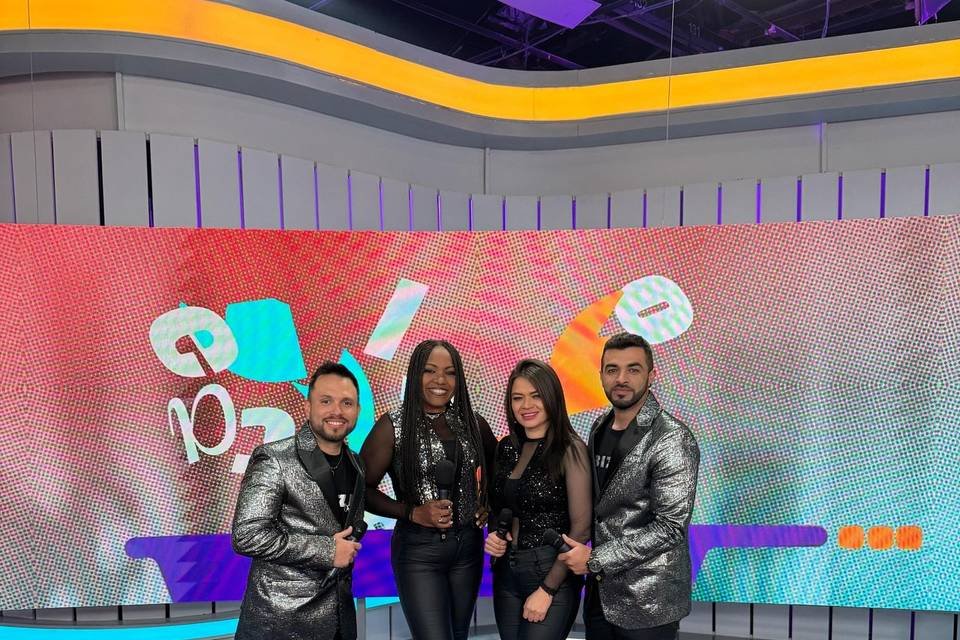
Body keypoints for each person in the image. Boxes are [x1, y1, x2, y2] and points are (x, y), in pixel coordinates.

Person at [558, 333, 700, 640]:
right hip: (600, 596)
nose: (621, 378)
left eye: (633, 369)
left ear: (651, 375)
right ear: (601, 375)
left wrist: (595, 559)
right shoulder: (599, 427)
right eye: (612, 369)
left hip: (649, 602)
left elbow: (670, 527)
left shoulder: (672, 438)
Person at [360, 339, 498, 640]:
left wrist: (486, 503)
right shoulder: (392, 426)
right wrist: (411, 512)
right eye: (430, 370)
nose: (440, 380)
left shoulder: (473, 424)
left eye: (450, 372)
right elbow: (362, 490)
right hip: (418, 552)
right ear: (415, 374)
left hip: (468, 550)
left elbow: (500, 472)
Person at [232, 362, 367, 640]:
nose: (337, 411)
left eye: (347, 403)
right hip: (280, 623)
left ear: (357, 410)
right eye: (326, 401)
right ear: (307, 407)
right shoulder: (274, 458)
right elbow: (247, 535)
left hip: (341, 621)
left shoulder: (356, 464)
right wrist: (327, 550)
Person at [484, 359, 591, 640]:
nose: (526, 405)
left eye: (536, 396)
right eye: (517, 398)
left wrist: (547, 589)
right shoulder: (506, 448)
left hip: (551, 572)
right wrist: (495, 535)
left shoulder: (570, 449)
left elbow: (581, 529)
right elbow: (498, 507)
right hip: (507, 573)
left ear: (552, 398)